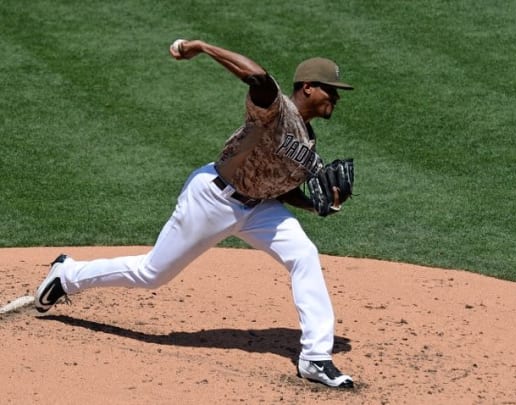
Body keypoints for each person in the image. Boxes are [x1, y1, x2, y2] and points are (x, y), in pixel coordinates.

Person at [34, 39, 355, 389]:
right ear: (307, 87)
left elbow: (281, 187)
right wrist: (201, 47)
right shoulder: (276, 110)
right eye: (330, 90)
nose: (335, 98)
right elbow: (258, 77)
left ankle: (315, 357)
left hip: (260, 209)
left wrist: (318, 205)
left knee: (304, 254)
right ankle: (66, 275)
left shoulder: (309, 145)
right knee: (152, 274)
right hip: (213, 199)